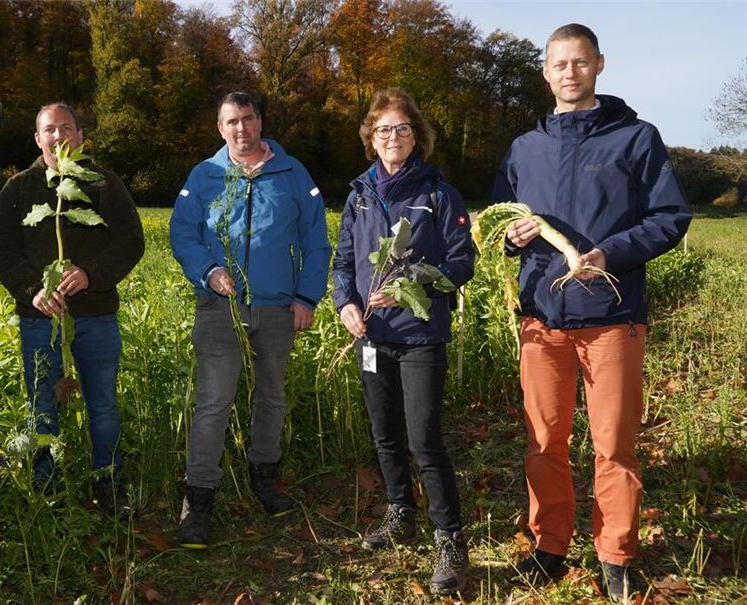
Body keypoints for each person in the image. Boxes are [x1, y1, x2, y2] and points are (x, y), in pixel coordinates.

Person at [492, 24, 692, 602]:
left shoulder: (635, 138)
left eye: (580, 62)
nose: (570, 73)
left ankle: (616, 554)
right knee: (544, 442)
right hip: (541, 318)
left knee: (614, 444)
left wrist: (612, 252)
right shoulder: (524, 148)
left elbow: (669, 218)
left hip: (612, 314)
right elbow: (504, 217)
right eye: (560, 64)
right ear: (546, 72)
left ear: (599, 65)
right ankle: (550, 544)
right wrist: (512, 237)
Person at [169, 91, 331, 548]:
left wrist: (306, 296)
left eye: (247, 119)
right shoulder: (205, 175)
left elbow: (316, 238)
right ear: (220, 129)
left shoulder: (292, 172)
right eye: (231, 122)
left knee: (271, 396)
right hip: (219, 308)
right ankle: (198, 501)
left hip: (278, 308)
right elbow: (181, 232)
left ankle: (265, 478)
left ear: (260, 122)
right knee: (213, 403)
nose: (240, 129)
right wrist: (208, 270)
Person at [331, 88, 475, 594]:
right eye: (383, 129)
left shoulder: (438, 194)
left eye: (403, 128)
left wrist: (410, 284)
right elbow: (344, 263)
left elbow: (461, 263)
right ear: (371, 138)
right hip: (372, 336)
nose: (393, 136)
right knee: (385, 433)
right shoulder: (359, 195)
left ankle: (449, 537)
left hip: (420, 334)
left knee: (423, 439)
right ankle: (400, 513)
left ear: (418, 136)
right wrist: (345, 303)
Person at [0, 102, 144, 515]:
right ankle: (47, 489)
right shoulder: (19, 188)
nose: (58, 136)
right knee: (42, 405)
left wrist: (91, 274)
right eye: (49, 130)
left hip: (96, 317)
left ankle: (108, 483)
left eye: (66, 128)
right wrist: (32, 290)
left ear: (80, 136)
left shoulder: (104, 184)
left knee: (103, 403)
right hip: (40, 319)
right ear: (38, 139)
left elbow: (130, 241)